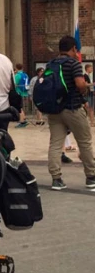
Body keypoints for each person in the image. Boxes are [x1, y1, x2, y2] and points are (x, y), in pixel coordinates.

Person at [46, 35, 95, 191]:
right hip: (73, 108)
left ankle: (56, 179)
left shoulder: (50, 64)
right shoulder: (73, 64)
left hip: (54, 110)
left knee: (55, 144)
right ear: (73, 48)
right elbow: (80, 84)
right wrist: (86, 86)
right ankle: (91, 177)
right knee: (84, 142)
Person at [14, 63, 30, 127]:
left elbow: (14, 83)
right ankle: (24, 118)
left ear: (16, 68)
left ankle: (22, 121)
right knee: (22, 107)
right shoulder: (25, 75)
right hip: (25, 92)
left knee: (19, 107)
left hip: (19, 92)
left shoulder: (17, 75)